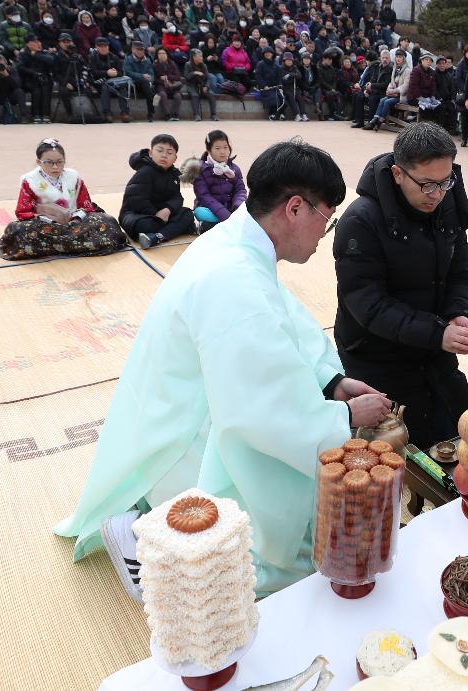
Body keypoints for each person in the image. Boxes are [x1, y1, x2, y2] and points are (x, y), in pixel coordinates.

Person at [54, 138, 391, 601]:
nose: (323, 231)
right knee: (282, 561)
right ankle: (143, 536)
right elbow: (260, 412)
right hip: (186, 429)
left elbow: (283, 323)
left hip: (175, 405)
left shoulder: (238, 239)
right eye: (325, 220)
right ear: (295, 208)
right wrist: (345, 419)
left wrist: (330, 381)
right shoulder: (232, 277)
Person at [333, 122, 468, 449]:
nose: (437, 194)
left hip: (433, 348)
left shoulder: (447, 202)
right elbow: (368, 304)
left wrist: (457, 312)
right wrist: (438, 333)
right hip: (377, 357)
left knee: (459, 438)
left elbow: (460, 270)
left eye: (445, 182)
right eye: (427, 185)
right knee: (398, 455)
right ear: (398, 174)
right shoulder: (360, 221)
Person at [0, 138, 125, 261]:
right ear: (39, 162)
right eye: (49, 162)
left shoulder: (73, 177)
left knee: (107, 222)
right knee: (21, 230)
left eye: (59, 162)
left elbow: (85, 205)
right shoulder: (30, 180)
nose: (55, 167)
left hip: (75, 223)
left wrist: (76, 217)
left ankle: (54, 246)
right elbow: (23, 211)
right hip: (46, 225)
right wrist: (49, 219)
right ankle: (75, 244)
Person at [119, 133, 195, 249]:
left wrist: (168, 209)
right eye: (160, 151)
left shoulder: (174, 175)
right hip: (137, 215)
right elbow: (135, 200)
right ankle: (174, 229)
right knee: (145, 225)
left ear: (175, 158)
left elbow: (177, 197)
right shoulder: (145, 172)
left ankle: (157, 237)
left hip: (162, 215)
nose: (164, 155)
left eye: (169, 153)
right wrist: (156, 214)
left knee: (188, 213)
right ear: (150, 153)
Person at [183, 129, 247, 232]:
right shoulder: (200, 169)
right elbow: (204, 197)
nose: (222, 151)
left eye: (225, 147)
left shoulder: (234, 169)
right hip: (210, 210)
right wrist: (224, 214)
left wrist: (237, 205)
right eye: (217, 148)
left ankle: (225, 224)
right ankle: (224, 224)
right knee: (200, 212)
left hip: (231, 207)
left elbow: (240, 190)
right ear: (209, 150)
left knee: (249, 209)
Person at [364, 48, 410, 131]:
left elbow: (405, 86)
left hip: (401, 96)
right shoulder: (395, 68)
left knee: (387, 101)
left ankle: (379, 121)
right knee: (382, 100)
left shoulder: (407, 70)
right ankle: (375, 119)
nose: (398, 59)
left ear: (404, 58)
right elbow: (391, 82)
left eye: (400, 57)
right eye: (397, 57)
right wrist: (389, 89)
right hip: (393, 94)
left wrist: (393, 91)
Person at [88, 36, 131, 123]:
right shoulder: (92, 57)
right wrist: (106, 73)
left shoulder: (114, 57)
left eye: (105, 46)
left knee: (122, 88)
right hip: (99, 83)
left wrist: (115, 73)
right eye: (101, 46)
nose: (103, 48)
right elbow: (93, 72)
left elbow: (121, 73)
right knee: (105, 87)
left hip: (114, 82)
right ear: (96, 47)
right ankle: (107, 113)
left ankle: (124, 113)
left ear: (108, 47)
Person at [17, 34, 55, 123]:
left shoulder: (43, 53)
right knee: (36, 89)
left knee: (46, 87)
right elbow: (20, 67)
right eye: (35, 42)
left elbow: (52, 61)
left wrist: (36, 55)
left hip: (44, 78)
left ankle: (46, 114)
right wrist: (33, 72)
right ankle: (35, 114)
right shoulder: (23, 53)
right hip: (30, 78)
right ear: (28, 44)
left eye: (38, 41)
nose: (38, 43)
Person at [0, 53, 27, 124]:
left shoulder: (12, 70)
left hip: (11, 96)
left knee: (19, 91)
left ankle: (24, 116)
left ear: (6, 63)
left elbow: (17, 85)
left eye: (2, 64)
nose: (0, 66)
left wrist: (7, 74)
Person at [351, 49, 390, 128]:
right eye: (383, 58)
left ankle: (370, 122)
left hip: (384, 92)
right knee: (359, 96)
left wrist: (372, 86)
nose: (385, 60)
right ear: (380, 58)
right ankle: (359, 121)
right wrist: (367, 89)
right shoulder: (378, 67)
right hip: (375, 90)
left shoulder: (390, 68)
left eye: (386, 58)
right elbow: (373, 79)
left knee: (373, 98)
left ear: (389, 58)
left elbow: (385, 84)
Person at [124, 40, 157, 122]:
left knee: (153, 89)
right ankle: (151, 113)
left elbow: (151, 74)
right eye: (138, 49)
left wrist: (150, 81)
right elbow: (128, 73)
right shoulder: (128, 59)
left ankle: (151, 112)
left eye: (142, 49)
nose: (140, 51)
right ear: (133, 50)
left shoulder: (148, 60)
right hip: (133, 84)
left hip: (146, 85)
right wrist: (142, 76)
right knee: (147, 86)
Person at [184, 48, 218, 121]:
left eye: (201, 56)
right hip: (192, 86)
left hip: (202, 85)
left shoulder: (204, 65)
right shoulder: (188, 64)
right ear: (194, 57)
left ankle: (213, 115)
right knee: (195, 95)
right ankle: (197, 115)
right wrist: (194, 73)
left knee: (211, 94)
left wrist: (206, 86)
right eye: (199, 56)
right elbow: (186, 77)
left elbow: (208, 78)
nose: (201, 58)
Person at [153, 47, 183, 121]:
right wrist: (162, 80)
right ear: (157, 55)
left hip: (173, 86)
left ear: (167, 55)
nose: (162, 55)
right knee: (162, 94)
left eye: (164, 53)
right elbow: (154, 79)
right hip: (161, 86)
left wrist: (167, 77)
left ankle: (175, 114)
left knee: (178, 96)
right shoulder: (154, 65)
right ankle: (167, 114)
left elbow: (178, 77)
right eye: (159, 53)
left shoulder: (172, 63)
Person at [255, 45, 284, 120]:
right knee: (274, 98)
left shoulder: (276, 66)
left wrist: (280, 86)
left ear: (272, 54)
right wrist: (264, 85)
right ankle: (272, 114)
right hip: (265, 88)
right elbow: (258, 76)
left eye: (269, 52)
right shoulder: (260, 64)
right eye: (266, 53)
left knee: (282, 97)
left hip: (275, 87)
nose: (267, 54)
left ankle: (282, 114)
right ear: (263, 54)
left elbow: (279, 78)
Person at [317, 50, 344, 120]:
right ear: (324, 59)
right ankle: (331, 114)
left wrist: (333, 88)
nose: (330, 61)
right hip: (323, 89)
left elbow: (335, 80)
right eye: (328, 59)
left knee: (339, 95)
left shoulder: (332, 68)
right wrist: (330, 88)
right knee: (330, 94)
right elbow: (321, 81)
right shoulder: (319, 68)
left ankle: (338, 114)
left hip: (332, 88)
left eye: (331, 59)